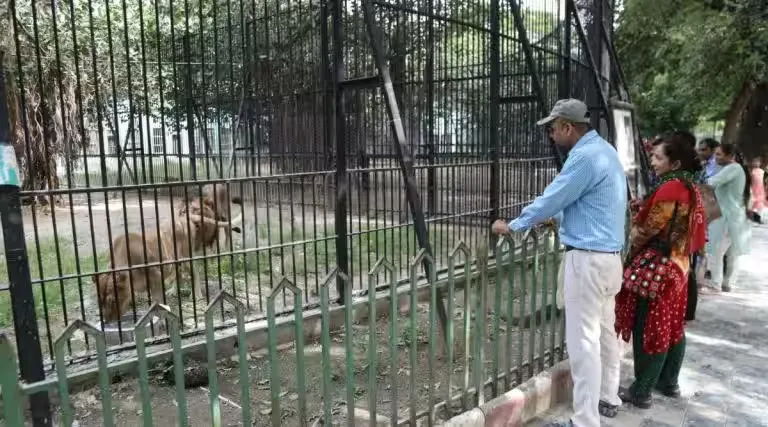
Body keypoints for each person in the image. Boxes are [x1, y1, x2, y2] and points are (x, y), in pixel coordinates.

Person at [491, 98, 627, 427]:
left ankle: (584, 421)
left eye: (553, 129)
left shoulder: (583, 157)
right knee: (607, 335)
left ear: (568, 127)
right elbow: (584, 202)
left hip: (588, 262)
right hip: (609, 259)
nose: (551, 135)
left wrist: (514, 225)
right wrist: (559, 220)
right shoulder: (605, 152)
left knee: (583, 344)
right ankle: (609, 396)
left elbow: (554, 195)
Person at [614, 133, 707, 409]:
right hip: (680, 266)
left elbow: (649, 229)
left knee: (650, 328)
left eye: (658, 157)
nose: (652, 162)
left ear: (674, 162)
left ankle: (642, 391)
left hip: (659, 269)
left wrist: (633, 233)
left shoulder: (670, 188)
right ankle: (668, 383)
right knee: (674, 326)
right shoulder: (690, 185)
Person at [702, 144, 751, 293]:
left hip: (726, 216)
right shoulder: (736, 169)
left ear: (730, 156)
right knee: (731, 253)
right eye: (715, 154)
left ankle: (716, 284)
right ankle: (728, 283)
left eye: (719, 154)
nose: (715, 158)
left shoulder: (733, 168)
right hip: (734, 215)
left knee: (716, 250)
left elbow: (711, 182)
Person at [749, 157, 766, 223]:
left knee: (760, 205)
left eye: (757, 162)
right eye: (754, 162)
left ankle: (758, 217)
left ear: (760, 163)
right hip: (754, 190)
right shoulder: (752, 172)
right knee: (753, 204)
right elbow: (750, 181)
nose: (756, 163)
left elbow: (764, 180)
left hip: (761, 191)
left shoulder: (762, 171)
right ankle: (754, 216)